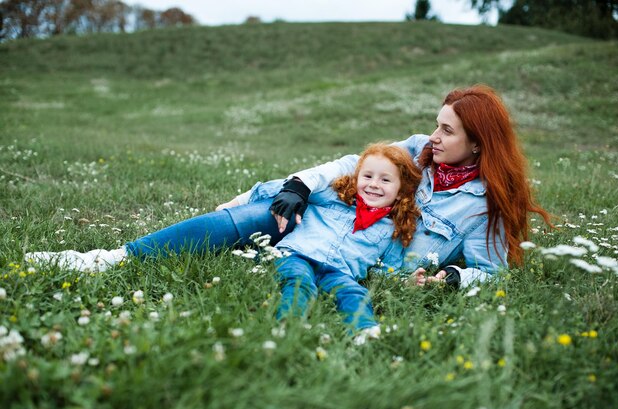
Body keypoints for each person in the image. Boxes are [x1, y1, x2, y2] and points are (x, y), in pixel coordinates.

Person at [26, 84, 551, 290]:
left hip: (359, 253)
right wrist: (297, 185)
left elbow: (491, 272)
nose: (433, 137)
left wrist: (451, 279)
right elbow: (354, 164)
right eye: (436, 124)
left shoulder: (484, 208)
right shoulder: (417, 149)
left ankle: (252, 238)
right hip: (335, 217)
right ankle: (111, 258)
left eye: (447, 130)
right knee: (262, 214)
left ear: (478, 145)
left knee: (273, 238)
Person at [250, 143, 421, 338]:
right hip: (297, 255)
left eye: (385, 180)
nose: (374, 184)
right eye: (367, 176)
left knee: (356, 294)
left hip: (339, 272)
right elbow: (299, 184)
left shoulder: (393, 229)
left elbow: (389, 268)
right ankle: (287, 326)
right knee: (300, 282)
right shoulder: (335, 197)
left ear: (400, 191)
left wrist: (406, 280)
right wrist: (243, 200)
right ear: (357, 178)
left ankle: (364, 331)